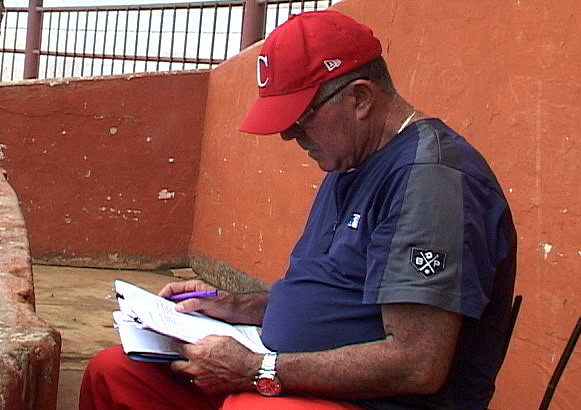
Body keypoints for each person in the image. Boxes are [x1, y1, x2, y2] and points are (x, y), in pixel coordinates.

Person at [80, 9, 517, 410]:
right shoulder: (349, 161)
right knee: (117, 373)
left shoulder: (430, 179)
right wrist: (238, 306)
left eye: (298, 118)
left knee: (252, 408)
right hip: (292, 374)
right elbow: (335, 298)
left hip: (377, 401)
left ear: (360, 99)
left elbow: (417, 363)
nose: (290, 137)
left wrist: (257, 371)